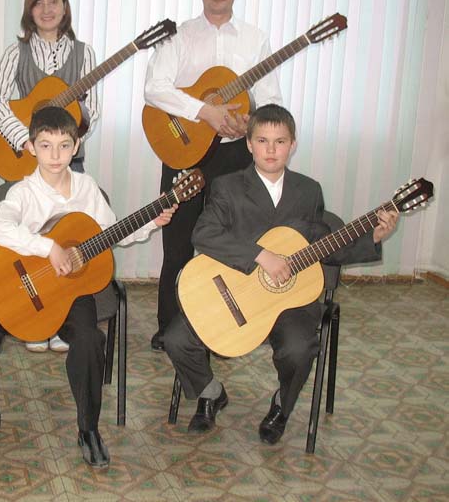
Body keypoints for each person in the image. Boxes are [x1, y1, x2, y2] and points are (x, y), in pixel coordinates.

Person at [0, 106, 176, 468]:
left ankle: (88, 429)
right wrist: (48, 248)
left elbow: (111, 232)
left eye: (64, 146)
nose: (55, 155)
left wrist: (151, 221)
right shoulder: (22, 192)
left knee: (89, 341)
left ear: (76, 146)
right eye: (46, 145)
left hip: (72, 292)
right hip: (25, 288)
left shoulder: (87, 188)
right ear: (31, 147)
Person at [163, 104, 399, 444]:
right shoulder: (227, 186)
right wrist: (261, 256)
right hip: (234, 290)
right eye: (262, 141)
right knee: (176, 339)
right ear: (249, 144)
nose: (271, 149)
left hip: (289, 301)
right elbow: (204, 234)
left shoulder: (308, 190)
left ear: (292, 145)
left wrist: (372, 237)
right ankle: (210, 392)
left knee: (299, 349)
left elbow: (325, 245)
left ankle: (281, 405)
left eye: (280, 141)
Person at [144, 0, 282, 352]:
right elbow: (154, 88)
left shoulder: (256, 40)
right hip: (183, 148)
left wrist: (249, 123)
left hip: (235, 155)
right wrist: (205, 111)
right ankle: (170, 329)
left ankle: (223, 327)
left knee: (231, 242)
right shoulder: (179, 36)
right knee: (178, 243)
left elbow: (271, 99)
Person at [0, 0, 100, 353]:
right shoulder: (15, 53)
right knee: (28, 232)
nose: (47, 9)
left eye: (55, 1)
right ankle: (31, 316)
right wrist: (25, 139)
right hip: (26, 157)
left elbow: (93, 110)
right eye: (39, 2)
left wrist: (69, 126)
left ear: (65, 7)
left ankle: (61, 316)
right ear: (29, 10)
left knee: (70, 237)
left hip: (66, 161)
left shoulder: (84, 54)